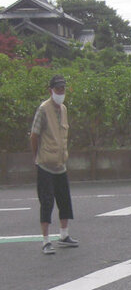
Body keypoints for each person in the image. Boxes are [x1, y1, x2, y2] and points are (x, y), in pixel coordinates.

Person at [30, 75, 79, 255]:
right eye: (58, 89)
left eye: (63, 89)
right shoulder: (43, 109)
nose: (61, 92)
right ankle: (45, 241)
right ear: (50, 90)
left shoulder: (64, 109)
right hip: (45, 163)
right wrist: (36, 156)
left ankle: (64, 235)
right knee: (47, 201)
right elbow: (34, 135)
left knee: (64, 200)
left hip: (61, 163)